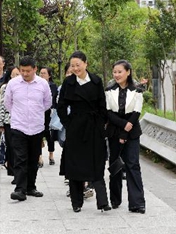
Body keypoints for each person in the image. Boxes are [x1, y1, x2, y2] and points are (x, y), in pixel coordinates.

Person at [57, 51, 110, 213]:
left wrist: (100, 125)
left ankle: (103, 201)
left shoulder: (96, 81)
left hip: (94, 128)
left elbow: (102, 105)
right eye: (72, 66)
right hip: (76, 128)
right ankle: (76, 202)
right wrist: (68, 123)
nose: (75, 68)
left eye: (78, 65)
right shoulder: (68, 82)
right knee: (75, 165)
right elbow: (61, 106)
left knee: (97, 163)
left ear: (86, 64)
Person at [4, 56, 52, 201]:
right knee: (20, 158)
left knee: (33, 158)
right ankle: (20, 189)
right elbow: (8, 103)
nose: (25, 74)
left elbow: (47, 103)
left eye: (28, 71)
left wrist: (35, 113)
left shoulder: (43, 84)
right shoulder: (13, 84)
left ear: (35, 69)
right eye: (22, 71)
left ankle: (31, 187)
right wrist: (19, 114)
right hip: (19, 126)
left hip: (37, 127)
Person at [105, 60, 146, 214]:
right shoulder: (109, 90)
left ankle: (137, 203)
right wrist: (124, 125)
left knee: (133, 165)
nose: (117, 75)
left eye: (120, 72)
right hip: (114, 130)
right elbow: (108, 112)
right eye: (114, 72)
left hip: (132, 131)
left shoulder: (137, 90)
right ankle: (115, 199)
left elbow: (136, 112)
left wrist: (128, 127)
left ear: (128, 72)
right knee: (115, 165)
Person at [0, 66, 20, 181]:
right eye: (15, 74)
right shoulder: (5, 87)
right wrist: (0, 122)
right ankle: (13, 171)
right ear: (10, 75)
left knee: (19, 147)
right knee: (11, 146)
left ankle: (19, 172)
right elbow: (2, 105)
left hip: (20, 121)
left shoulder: (23, 86)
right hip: (8, 120)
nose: (17, 76)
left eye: (18, 74)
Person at [39, 66, 59, 167]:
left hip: (49, 113)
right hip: (38, 113)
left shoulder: (53, 86)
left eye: (44, 73)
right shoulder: (36, 85)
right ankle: (39, 157)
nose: (42, 75)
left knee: (49, 135)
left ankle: (51, 155)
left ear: (49, 75)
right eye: (41, 73)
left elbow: (54, 99)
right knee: (38, 135)